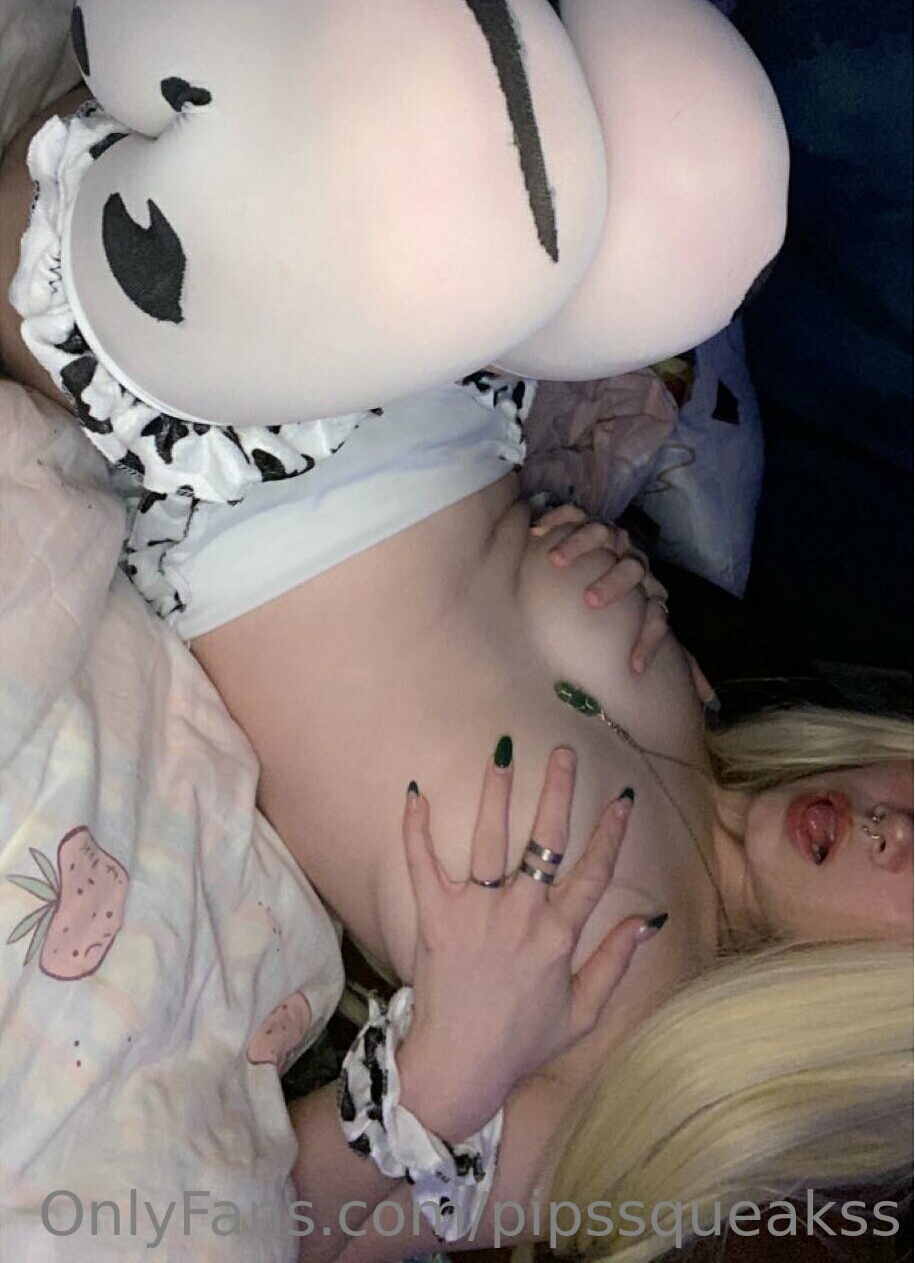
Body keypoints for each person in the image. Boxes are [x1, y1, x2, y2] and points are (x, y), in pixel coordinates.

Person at [0, 90, 911, 1263]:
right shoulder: (703, 722)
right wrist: (577, 552)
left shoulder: (614, 1082)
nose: (900, 827)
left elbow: (258, 1228)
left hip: (222, 449)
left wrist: (440, 1072)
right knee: (692, 142)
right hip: (412, 354)